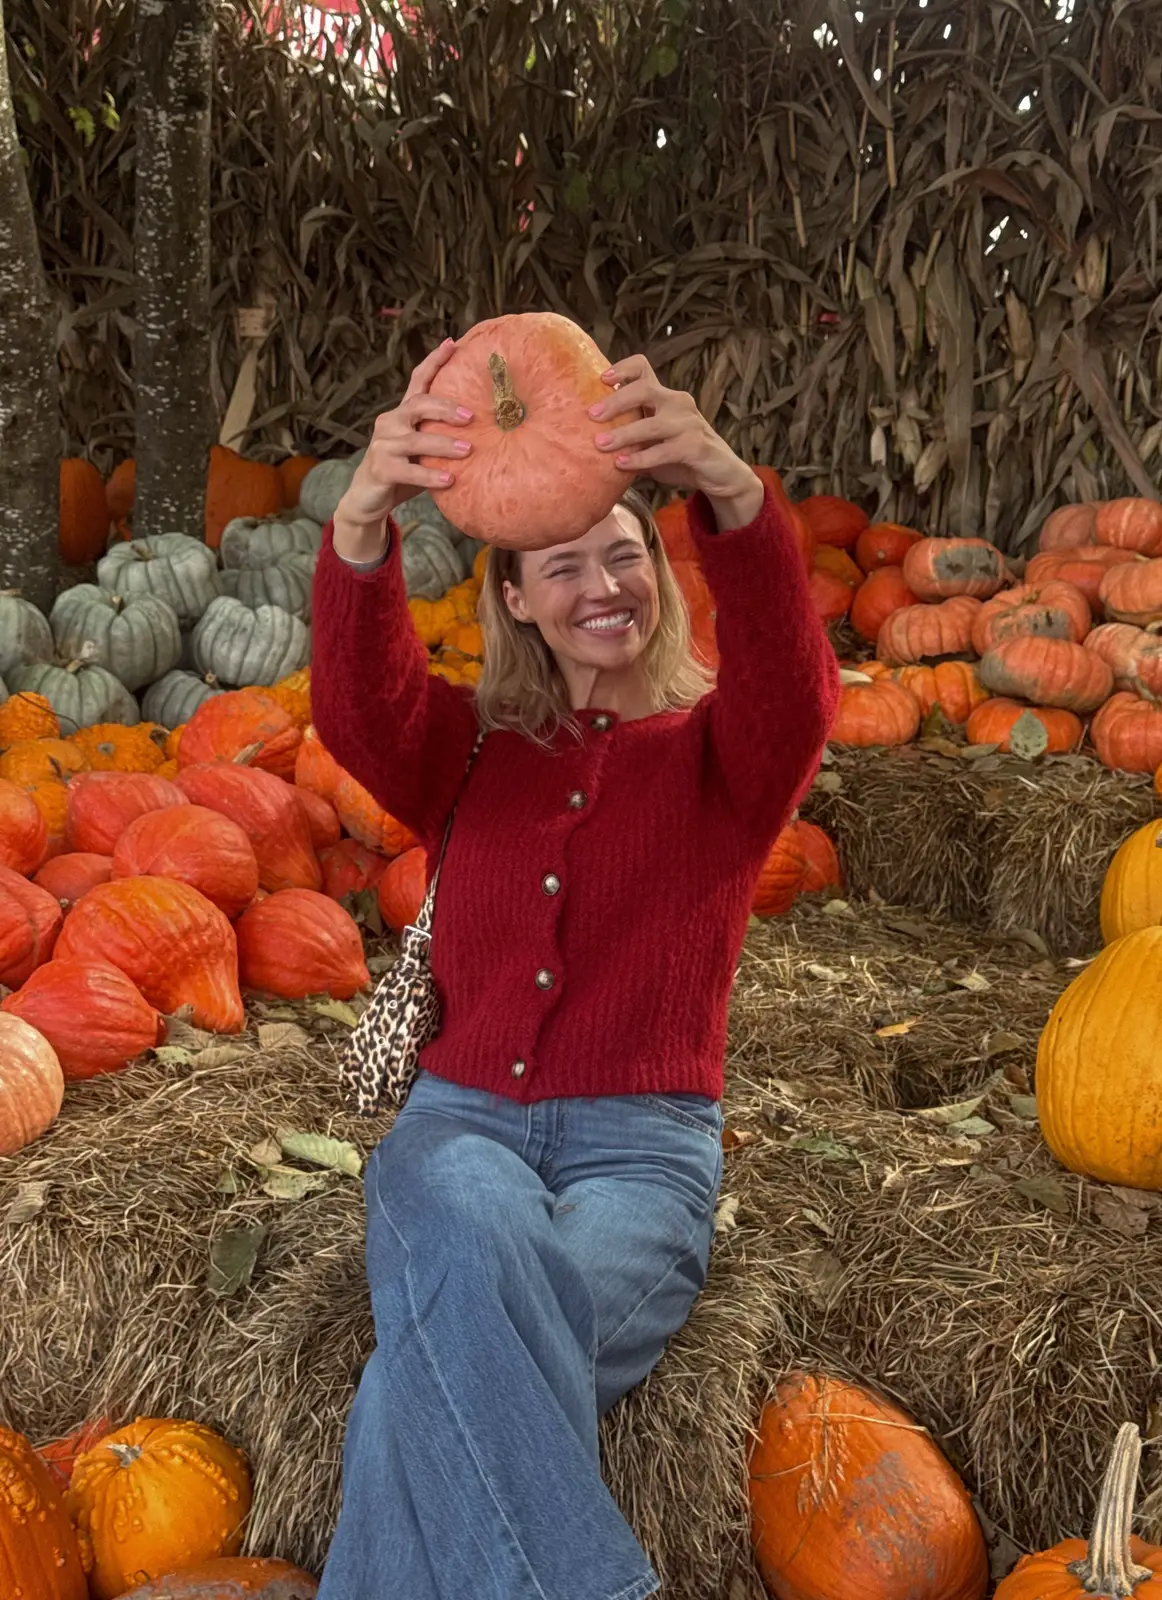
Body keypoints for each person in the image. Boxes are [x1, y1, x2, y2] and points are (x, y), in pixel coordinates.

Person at [309, 335, 839, 1600]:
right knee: (472, 1211)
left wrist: (728, 492)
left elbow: (797, 689)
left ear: (660, 567)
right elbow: (357, 707)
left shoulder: (721, 763)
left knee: (420, 1372)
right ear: (515, 598)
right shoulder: (467, 756)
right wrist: (367, 516)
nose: (604, 583)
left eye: (627, 552)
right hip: (458, 1131)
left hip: (639, 1159)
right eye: (565, 565)